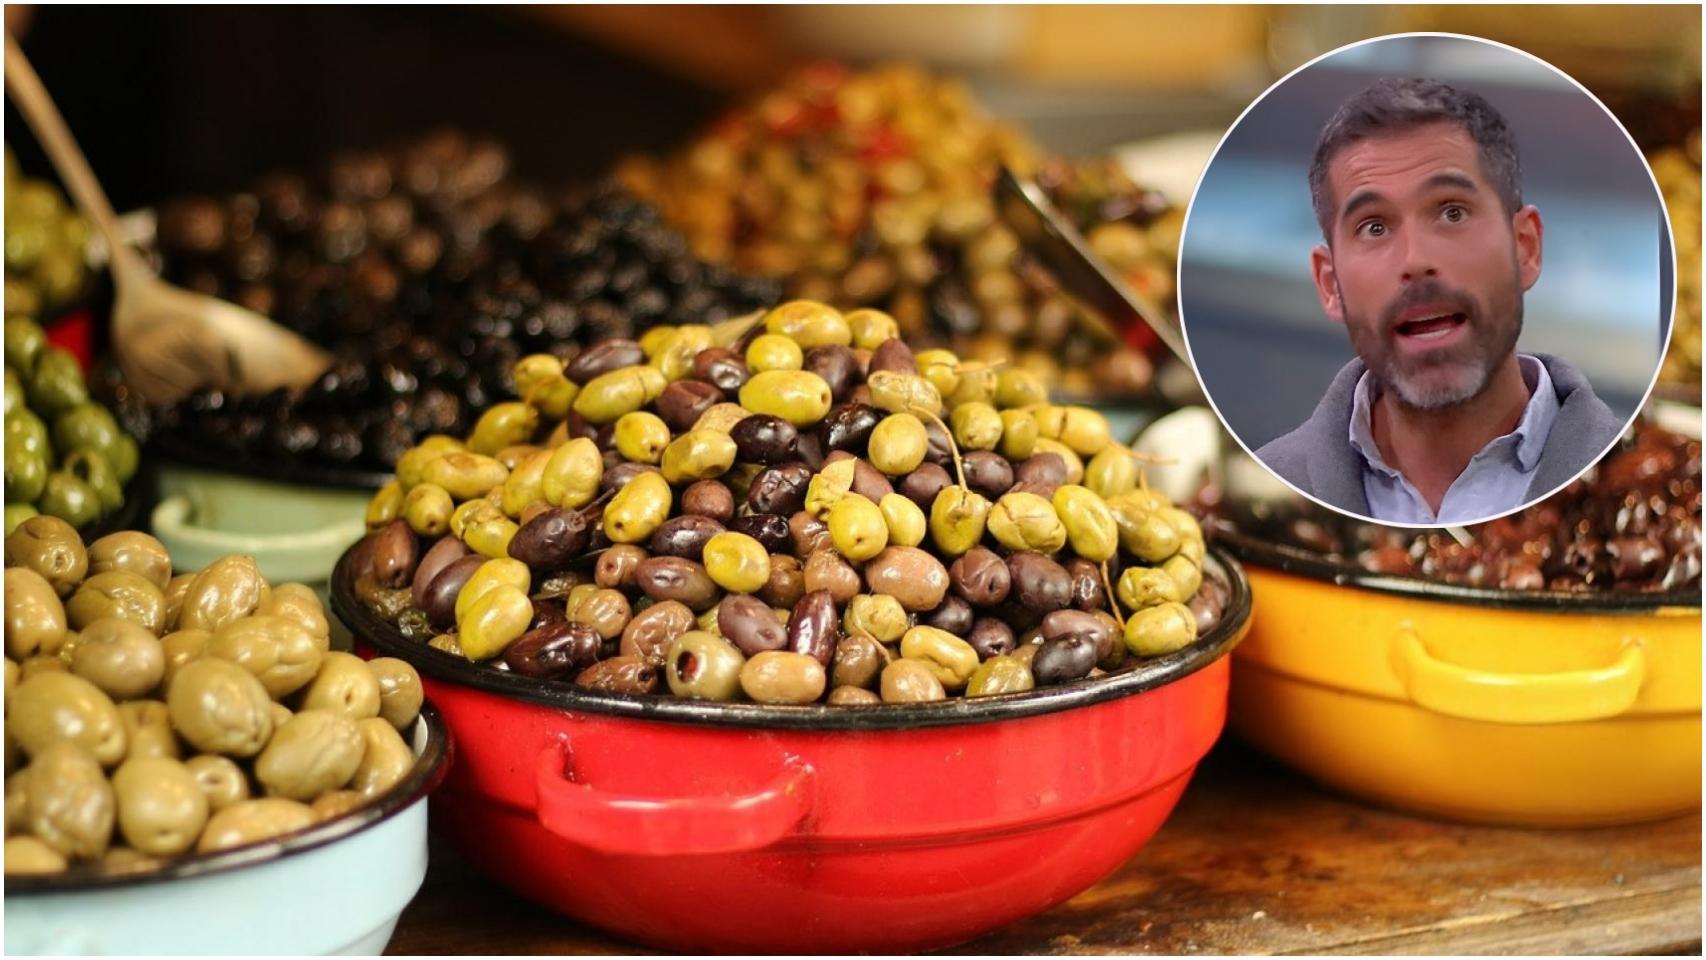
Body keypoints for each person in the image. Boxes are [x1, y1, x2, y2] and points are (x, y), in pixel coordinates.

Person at [1256, 77, 1623, 524]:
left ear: (1524, 248)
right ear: (1331, 285)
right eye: (1374, 226)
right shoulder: (1262, 498)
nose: (1416, 260)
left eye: (1452, 212)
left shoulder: (1646, 486)